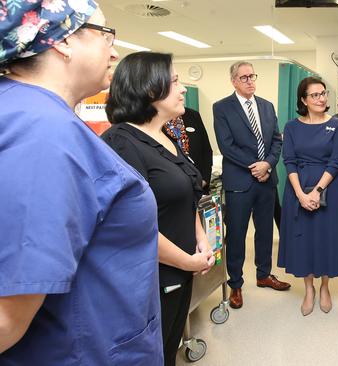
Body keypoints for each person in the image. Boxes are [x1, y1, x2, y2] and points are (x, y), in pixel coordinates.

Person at [0, 2, 164, 365]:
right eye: (107, 34)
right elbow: (7, 317)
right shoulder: (41, 132)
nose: (115, 50)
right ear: (62, 41)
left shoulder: (31, 115)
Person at [102, 52, 215, 366]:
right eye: (175, 81)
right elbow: (133, 226)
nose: (182, 89)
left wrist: (201, 241)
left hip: (182, 270)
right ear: (150, 89)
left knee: (167, 351)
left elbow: (184, 194)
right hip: (151, 279)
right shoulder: (121, 143)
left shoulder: (165, 137)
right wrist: (189, 261)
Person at [213, 61, 290, 310]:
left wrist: (267, 165)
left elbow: (276, 141)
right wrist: (255, 166)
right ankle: (235, 283)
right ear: (234, 81)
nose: (250, 81)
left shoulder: (266, 106)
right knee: (236, 233)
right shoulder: (222, 108)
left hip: (266, 181)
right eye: (244, 77)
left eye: (252, 76)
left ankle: (263, 274)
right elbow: (227, 146)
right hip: (240, 182)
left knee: (266, 230)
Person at [278, 76, 338, 316]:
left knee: (326, 239)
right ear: (303, 100)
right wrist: (301, 194)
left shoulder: (337, 125)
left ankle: (324, 287)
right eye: (315, 95)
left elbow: (335, 162)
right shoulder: (291, 126)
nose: (321, 99)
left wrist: (316, 191)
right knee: (304, 241)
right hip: (298, 188)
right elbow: (288, 161)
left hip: (329, 190)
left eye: (323, 94)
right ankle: (308, 289)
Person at [166, 108, 214, 195]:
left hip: (199, 186)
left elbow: (206, 150)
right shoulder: (152, 120)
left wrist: (204, 180)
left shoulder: (193, 115)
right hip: (171, 188)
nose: (183, 94)